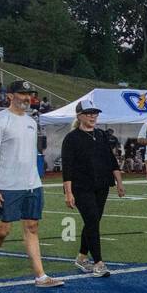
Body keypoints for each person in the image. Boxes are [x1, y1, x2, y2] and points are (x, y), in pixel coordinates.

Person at [0, 79, 64, 289]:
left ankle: (40, 276)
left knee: (32, 227)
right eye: (22, 94)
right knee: (2, 231)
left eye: (29, 95)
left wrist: (36, 179)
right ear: (10, 96)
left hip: (32, 184)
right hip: (8, 185)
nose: (27, 98)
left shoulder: (31, 121)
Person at [61, 97, 124, 276]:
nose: (93, 116)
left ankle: (82, 257)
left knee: (93, 221)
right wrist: (68, 192)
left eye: (94, 113)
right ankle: (98, 263)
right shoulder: (71, 138)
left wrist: (119, 182)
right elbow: (67, 167)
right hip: (81, 187)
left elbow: (111, 160)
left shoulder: (101, 135)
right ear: (79, 116)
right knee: (92, 221)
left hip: (102, 185)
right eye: (89, 113)